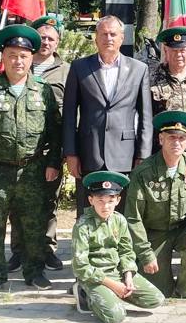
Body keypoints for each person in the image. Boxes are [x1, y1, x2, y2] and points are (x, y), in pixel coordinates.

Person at [0, 25, 62, 291]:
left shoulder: (43, 90)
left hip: (33, 170)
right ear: (3, 57)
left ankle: (34, 272)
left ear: (31, 58)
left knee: (33, 226)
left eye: (23, 56)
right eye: (12, 55)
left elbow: (56, 132)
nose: (18, 61)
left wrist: (53, 163)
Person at [0, 16, 71, 273]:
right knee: (16, 206)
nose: (46, 42)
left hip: (47, 150)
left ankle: (46, 249)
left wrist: (60, 155)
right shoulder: (17, 62)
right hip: (16, 151)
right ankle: (18, 251)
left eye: (51, 38)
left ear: (57, 43)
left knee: (46, 204)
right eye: (42, 37)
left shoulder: (66, 70)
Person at [63, 15, 153, 215]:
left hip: (125, 155)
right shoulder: (79, 68)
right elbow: (69, 114)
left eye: (113, 34)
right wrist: (71, 153)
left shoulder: (138, 69)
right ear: (95, 38)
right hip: (89, 153)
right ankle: (88, 247)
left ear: (122, 38)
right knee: (88, 212)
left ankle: (120, 247)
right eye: (103, 34)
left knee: (122, 214)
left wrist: (142, 154)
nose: (108, 38)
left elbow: (146, 116)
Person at [124, 111, 186, 298]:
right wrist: (145, 253)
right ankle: (164, 281)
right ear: (161, 139)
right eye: (172, 137)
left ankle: (184, 290)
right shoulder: (143, 172)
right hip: (154, 234)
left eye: (182, 138)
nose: (177, 142)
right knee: (159, 292)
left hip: (181, 230)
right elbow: (133, 218)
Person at [72, 171, 165, 323]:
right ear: (91, 200)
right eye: (100, 200)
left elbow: (126, 251)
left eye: (110, 200)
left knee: (156, 300)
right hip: (94, 277)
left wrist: (128, 277)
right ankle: (87, 295)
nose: (105, 206)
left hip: (117, 273)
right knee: (116, 317)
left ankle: (113, 294)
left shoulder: (119, 220)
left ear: (118, 200)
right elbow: (80, 266)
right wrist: (113, 285)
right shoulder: (83, 225)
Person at [150, 26, 186, 158]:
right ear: (165, 51)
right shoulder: (152, 79)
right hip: (163, 155)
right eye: (174, 51)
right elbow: (146, 120)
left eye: (182, 50)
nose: (179, 55)